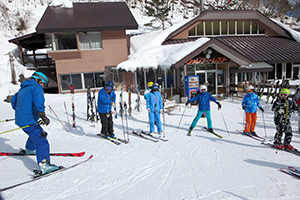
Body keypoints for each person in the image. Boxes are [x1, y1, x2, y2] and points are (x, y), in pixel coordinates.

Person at [11, 72, 59, 174]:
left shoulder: (23, 88)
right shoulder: (36, 88)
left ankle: (29, 149)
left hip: (22, 119)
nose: (43, 86)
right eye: (43, 84)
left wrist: (21, 111)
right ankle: (44, 165)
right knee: (41, 139)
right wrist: (42, 115)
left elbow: (13, 101)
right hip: (28, 119)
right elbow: (39, 102)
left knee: (34, 132)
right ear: (38, 80)